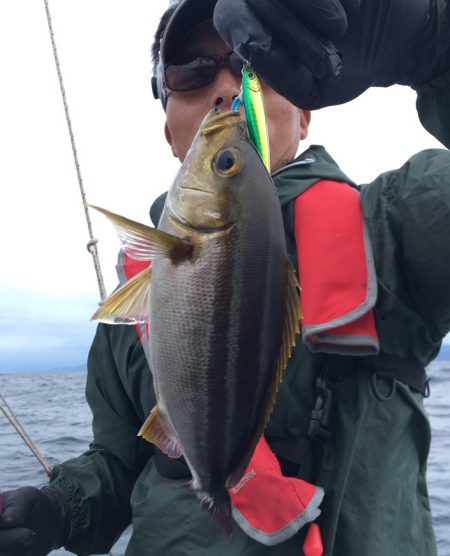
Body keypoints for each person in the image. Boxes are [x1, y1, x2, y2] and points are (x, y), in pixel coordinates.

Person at [1, 0, 450, 554]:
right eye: (191, 70)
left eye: (256, 62)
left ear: (305, 112)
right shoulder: (139, 295)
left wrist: (436, 48)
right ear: (169, 128)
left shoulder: (400, 222)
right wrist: (59, 509)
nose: (227, 87)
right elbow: (120, 461)